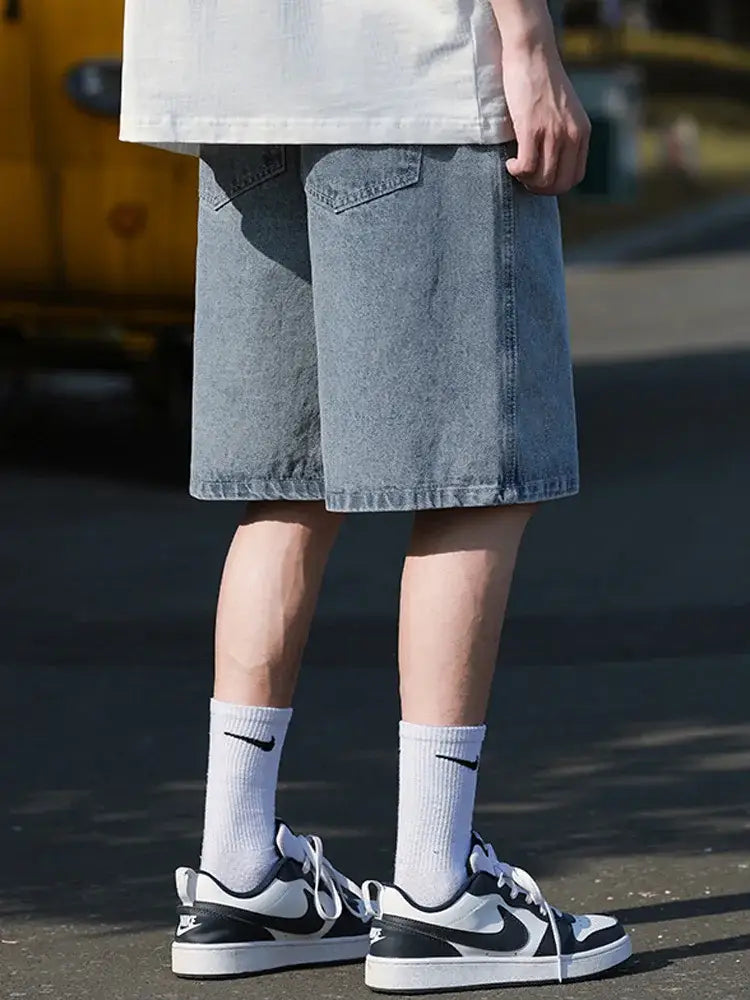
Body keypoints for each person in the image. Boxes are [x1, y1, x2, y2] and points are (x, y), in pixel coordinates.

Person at [119, 0, 632, 991]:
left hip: (232, 72)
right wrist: (527, 41)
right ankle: (441, 896)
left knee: (288, 485)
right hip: (408, 67)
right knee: (473, 473)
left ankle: (239, 872)